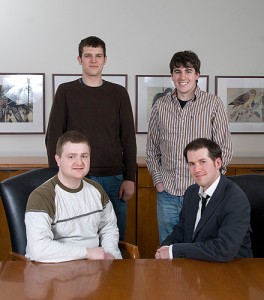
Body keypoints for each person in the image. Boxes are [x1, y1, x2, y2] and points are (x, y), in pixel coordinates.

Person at [45, 36, 137, 241]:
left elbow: (129, 139)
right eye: (88, 56)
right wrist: (56, 175)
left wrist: (130, 177)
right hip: (74, 177)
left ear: (105, 59)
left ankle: (115, 273)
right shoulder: (66, 91)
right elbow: (53, 137)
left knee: (115, 238)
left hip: (113, 178)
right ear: (79, 59)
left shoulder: (119, 93)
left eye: (98, 56)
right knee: (76, 237)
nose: (93, 60)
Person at [146, 50, 233, 243]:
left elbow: (224, 148)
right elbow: (151, 150)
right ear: (172, 76)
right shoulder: (160, 106)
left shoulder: (213, 104)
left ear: (197, 75)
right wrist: (159, 182)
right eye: (177, 71)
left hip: (202, 192)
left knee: (201, 245)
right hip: (168, 193)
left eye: (188, 71)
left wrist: (211, 183)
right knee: (169, 248)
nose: (182, 76)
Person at [25, 131, 122, 263]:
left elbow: (109, 227)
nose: (79, 162)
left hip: (94, 269)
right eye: (71, 157)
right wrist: (86, 253)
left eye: (84, 156)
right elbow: (38, 249)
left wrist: (109, 253)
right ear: (58, 159)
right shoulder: (42, 196)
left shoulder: (96, 190)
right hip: (53, 271)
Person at [155, 138, 252, 262]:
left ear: (218, 163)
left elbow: (224, 249)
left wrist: (173, 251)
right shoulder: (191, 192)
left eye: (202, 162)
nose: (197, 170)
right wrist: (165, 246)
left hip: (232, 270)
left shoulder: (235, 198)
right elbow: (181, 230)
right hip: (198, 266)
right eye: (192, 164)